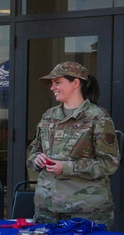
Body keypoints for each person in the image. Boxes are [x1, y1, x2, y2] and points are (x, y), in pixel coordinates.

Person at [28, 61, 119, 226]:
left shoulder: (97, 117)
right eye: (52, 83)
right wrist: (36, 158)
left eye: (57, 82)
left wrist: (66, 167)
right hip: (46, 207)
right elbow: (34, 150)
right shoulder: (48, 115)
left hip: (84, 210)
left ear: (75, 83)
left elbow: (109, 163)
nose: (52, 87)